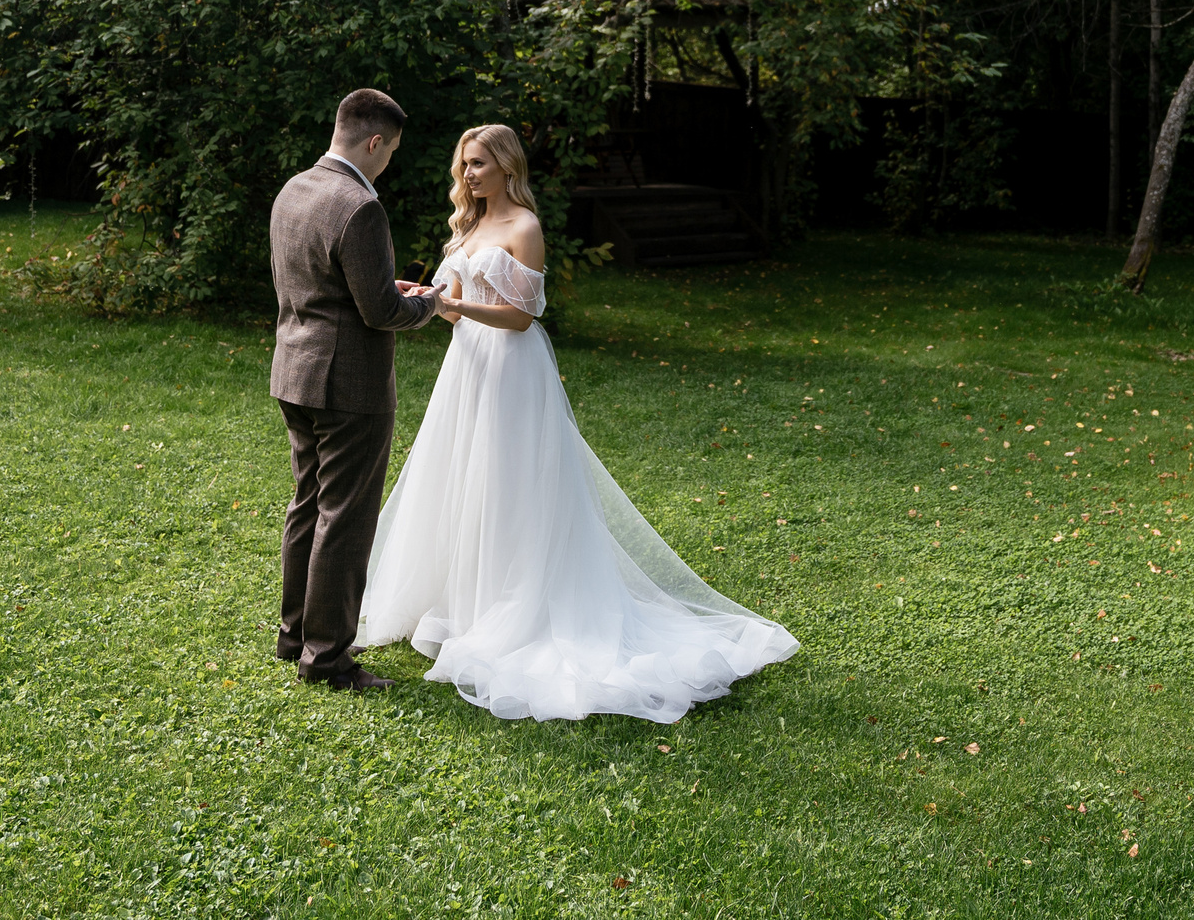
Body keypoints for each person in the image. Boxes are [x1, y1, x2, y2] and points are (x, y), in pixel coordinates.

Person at [357, 123, 797, 721]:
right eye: (464, 164)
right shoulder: (468, 225)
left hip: (513, 368)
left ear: (507, 166)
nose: (469, 174)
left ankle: (516, 602)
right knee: (464, 476)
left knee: (511, 482)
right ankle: (464, 599)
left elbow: (520, 317)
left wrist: (455, 302)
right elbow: (458, 316)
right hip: (468, 368)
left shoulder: (524, 228)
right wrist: (433, 298)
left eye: (480, 163)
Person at [268, 88, 445, 691]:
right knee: (344, 519)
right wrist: (429, 306)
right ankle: (327, 661)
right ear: (374, 142)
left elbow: (318, 277)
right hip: (349, 385)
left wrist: (384, 287)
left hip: (294, 370)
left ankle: (293, 637)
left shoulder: (296, 188)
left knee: (308, 505)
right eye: (391, 150)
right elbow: (378, 313)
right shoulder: (360, 205)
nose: (388, 161)